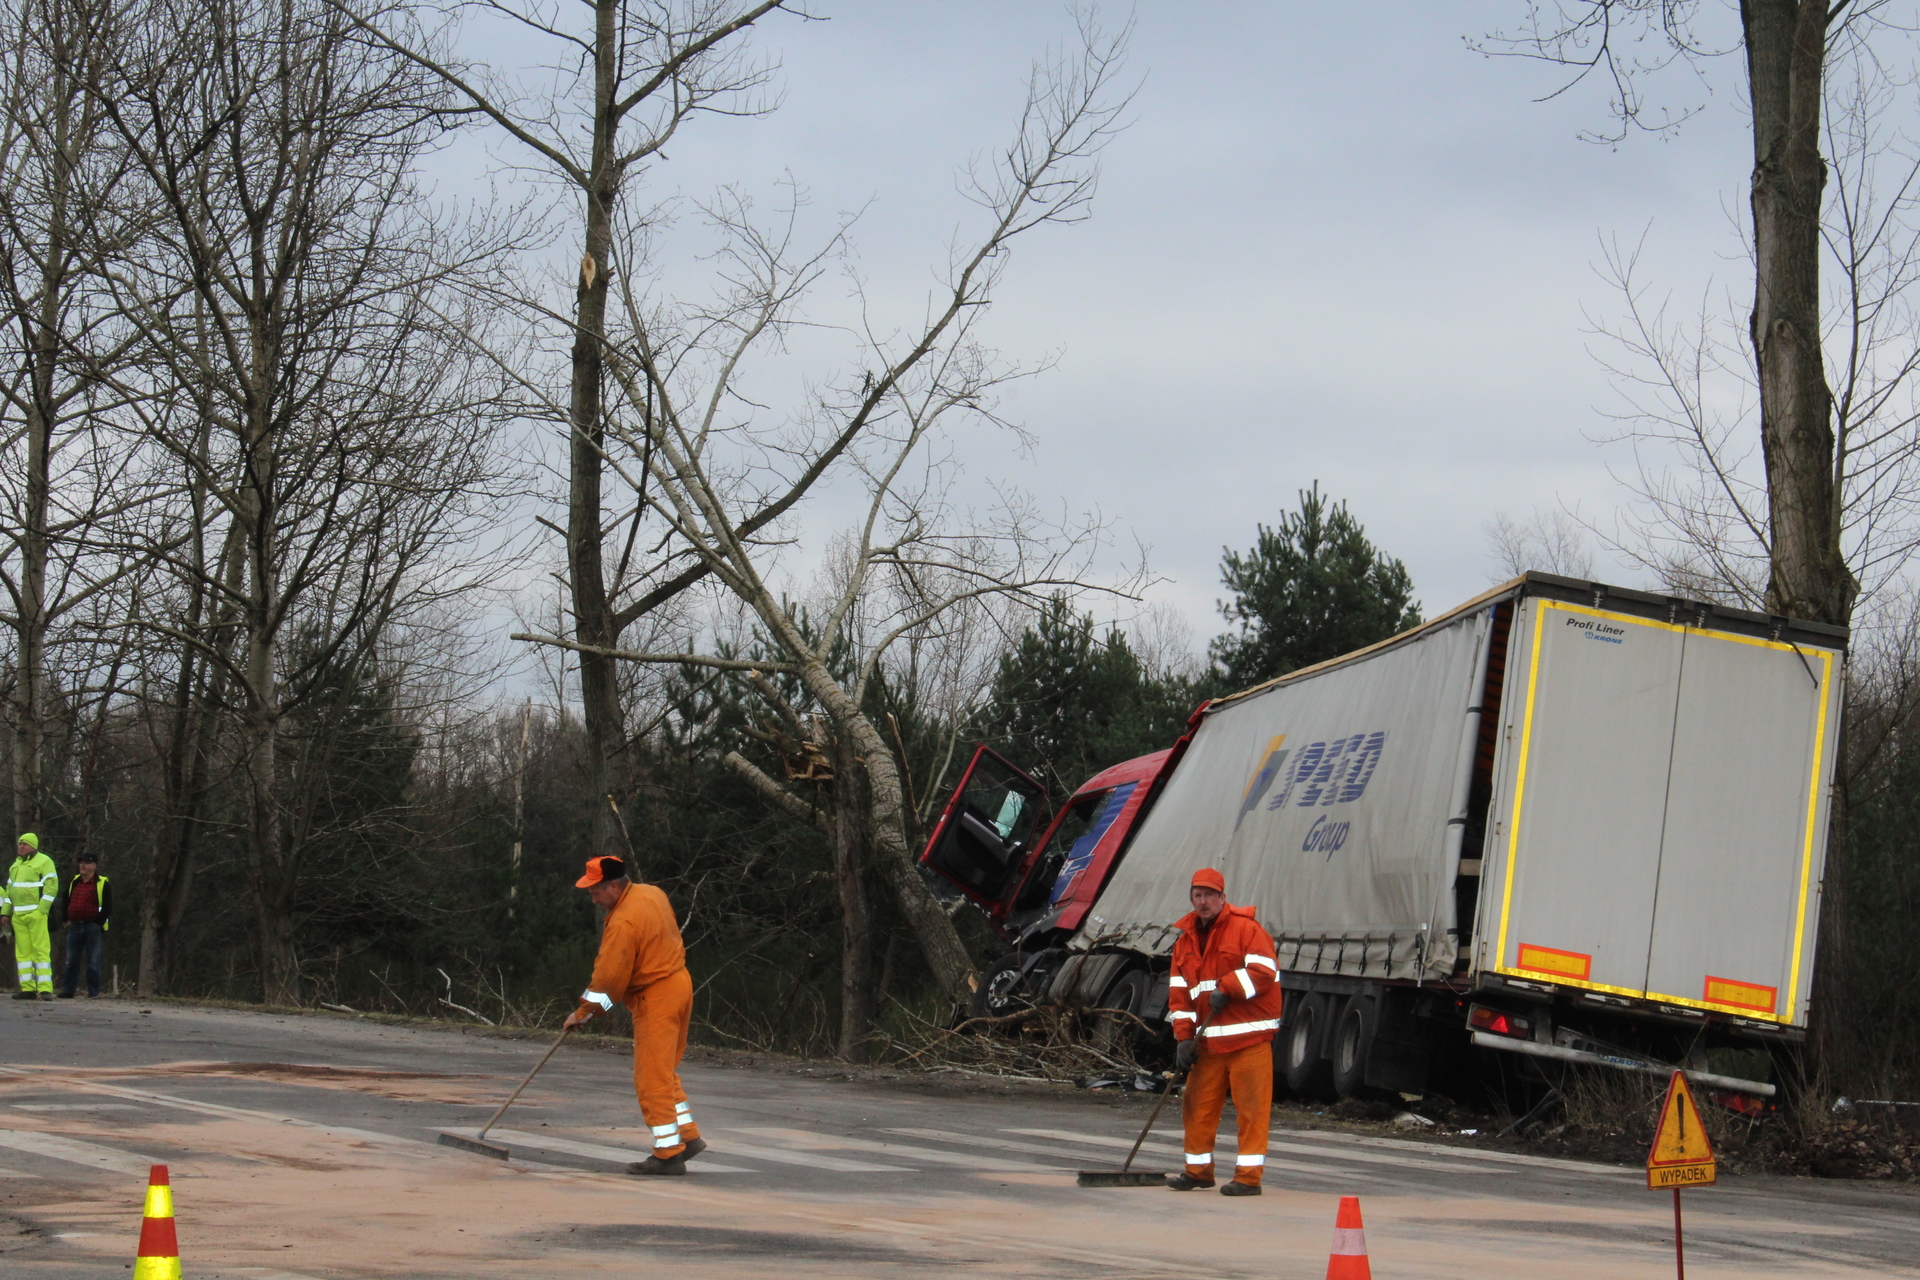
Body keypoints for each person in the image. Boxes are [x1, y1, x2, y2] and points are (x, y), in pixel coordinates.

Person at [561, 855, 706, 1175]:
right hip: (679, 984)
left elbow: (609, 981)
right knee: (664, 1070)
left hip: (656, 997)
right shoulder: (652, 893)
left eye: (596, 891)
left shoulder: (624, 921)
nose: (594, 898)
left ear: (614, 886)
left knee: (650, 1078)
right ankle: (688, 1136)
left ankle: (668, 1154)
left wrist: (585, 1013)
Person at [1165, 867, 1281, 1196]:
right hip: (1208, 1044)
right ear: (1191, 899)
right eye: (1197, 896)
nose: (1202, 902)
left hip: (1248, 1040)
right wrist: (1184, 1038)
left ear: (1221, 898)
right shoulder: (1183, 943)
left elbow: (1264, 970)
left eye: (1209, 896)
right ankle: (1198, 1172)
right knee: (1197, 1107)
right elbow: (1179, 996)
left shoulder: (1246, 929)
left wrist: (1228, 986)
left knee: (1251, 1111)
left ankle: (1248, 1179)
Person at [2, 834, 58, 1001]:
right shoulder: (16, 865)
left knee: (41, 950)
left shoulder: (44, 861)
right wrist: (6, 912)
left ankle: (45, 989)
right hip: (18, 915)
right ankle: (27, 989)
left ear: (33, 846)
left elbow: (52, 887)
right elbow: (8, 891)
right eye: (19, 843)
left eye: (25, 844)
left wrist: (42, 910)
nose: (21, 846)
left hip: (36, 914)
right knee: (23, 954)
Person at [57, 853, 111, 999]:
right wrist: (65, 919)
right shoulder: (74, 881)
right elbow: (65, 900)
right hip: (74, 926)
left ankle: (93, 992)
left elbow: (107, 906)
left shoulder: (102, 883)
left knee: (93, 961)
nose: (82, 865)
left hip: (92, 927)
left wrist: (97, 922)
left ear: (94, 866)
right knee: (70, 961)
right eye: (81, 862)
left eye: (86, 863)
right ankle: (68, 990)